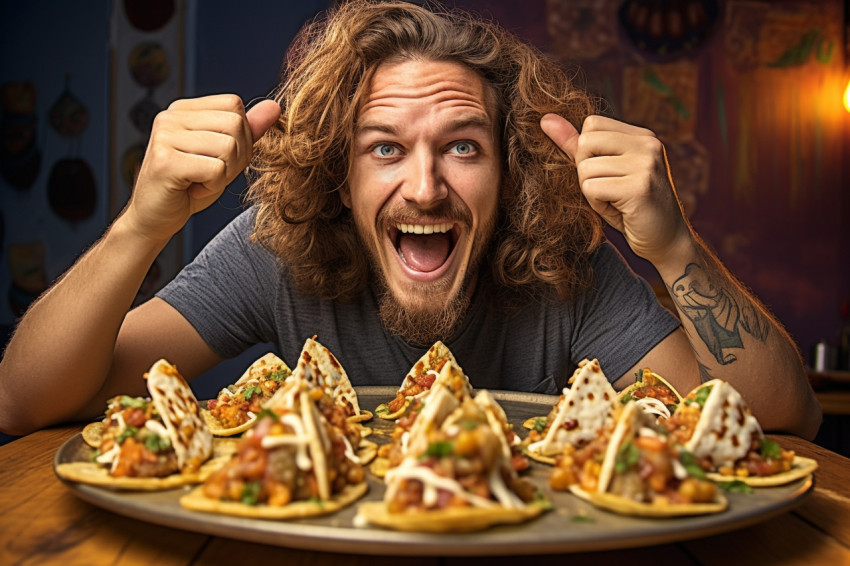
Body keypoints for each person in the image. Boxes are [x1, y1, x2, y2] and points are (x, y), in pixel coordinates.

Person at [0, 0, 821, 439]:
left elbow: (784, 419)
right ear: (337, 171)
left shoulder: (565, 264)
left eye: (462, 147)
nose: (425, 189)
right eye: (384, 149)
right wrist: (142, 222)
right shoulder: (274, 250)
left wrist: (674, 248)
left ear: (512, 169)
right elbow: (25, 402)